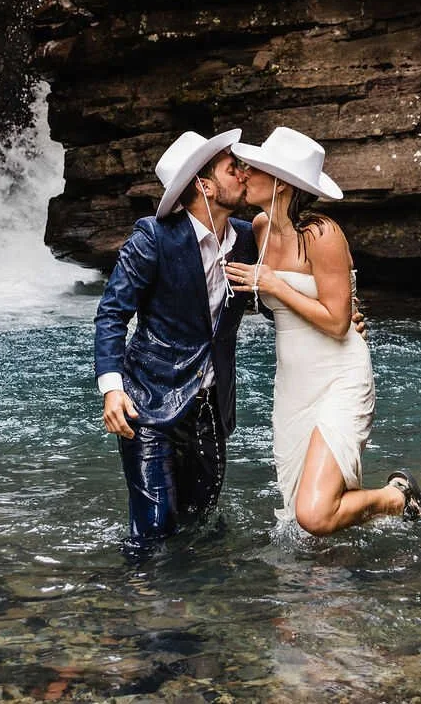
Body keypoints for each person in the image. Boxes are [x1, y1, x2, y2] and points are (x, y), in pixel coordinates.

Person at [222, 126, 421, 535]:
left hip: (339, 376)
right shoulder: (259, 228)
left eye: (254, 169)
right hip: (294, 385)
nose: (244, 173)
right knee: (310, 523)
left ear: (281, 183)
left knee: (314, 515)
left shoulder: (322, 233)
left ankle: (397, 497)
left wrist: (275, 284)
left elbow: (336, 322)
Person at [93, 129, 260, 556]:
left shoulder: (248, 239)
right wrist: (111, 389)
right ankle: (139, 596)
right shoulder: (154, 236)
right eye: (232, 168)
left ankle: (192, 595)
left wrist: (338, 312)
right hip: (147, 403)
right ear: (205, 186)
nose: (243, 174)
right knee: (154, 530)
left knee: (199, 523)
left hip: (211, 407)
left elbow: (275, 299)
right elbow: (112, 313)